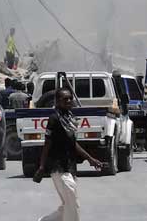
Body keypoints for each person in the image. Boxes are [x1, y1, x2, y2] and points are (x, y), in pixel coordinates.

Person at [37, 88, 103, 221]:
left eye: (70, 98)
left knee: (68, 205)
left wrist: (90, 159)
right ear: (57, 101)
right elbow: (47, 143)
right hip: (58, 168)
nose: (68, 101)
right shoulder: (54, 119)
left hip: (69, 167)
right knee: (73, 203)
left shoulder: (69, 117)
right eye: (64, 99)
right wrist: (42, 166)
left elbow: (73, 143)